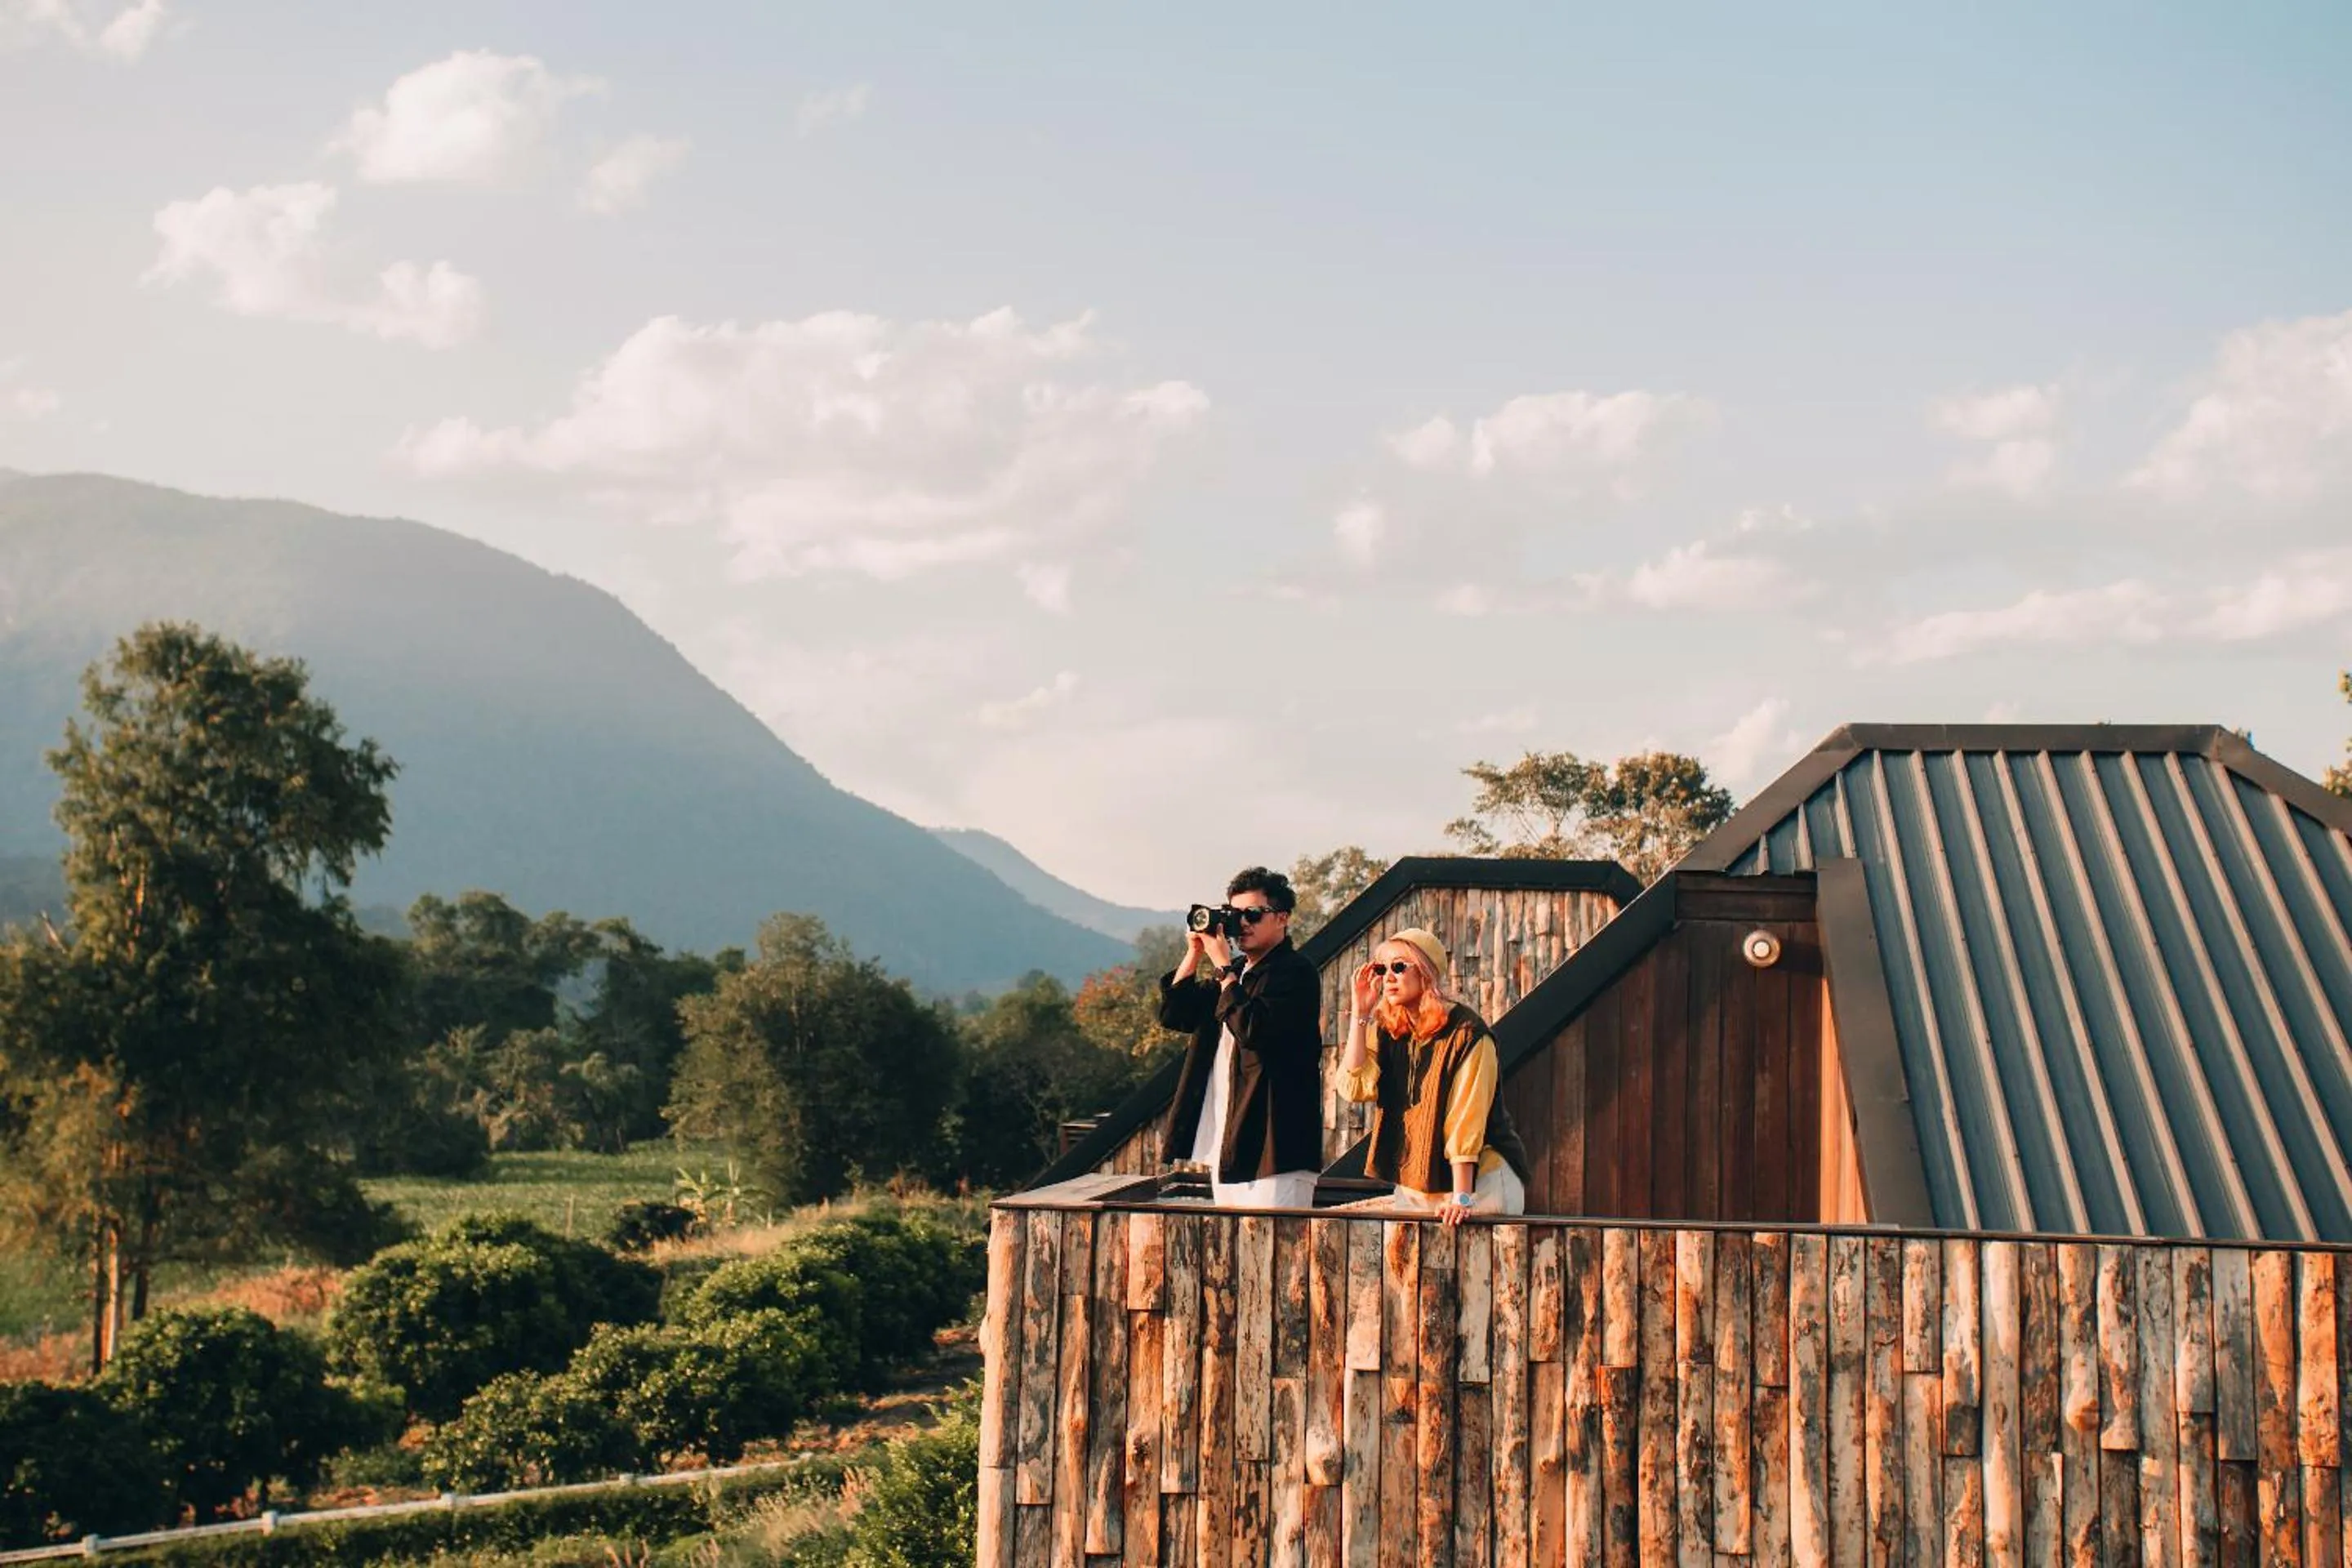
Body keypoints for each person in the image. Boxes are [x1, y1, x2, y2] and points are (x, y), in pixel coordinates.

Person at [1337, 926, 1530, 1223]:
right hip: (1415, 1183)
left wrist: (1462, 1197)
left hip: (1480, 1184)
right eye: (1381, 968)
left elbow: (1466, 1119)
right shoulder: (1387, 1030)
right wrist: (1360, 1014)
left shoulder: (1467, 1034)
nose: (1388, 977)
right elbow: (1354, 1087)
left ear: (1426, 971)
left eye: (1399, 967)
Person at [1159, 866, 1324, 1208]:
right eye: (1234, 914)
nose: (1242, 923)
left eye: (1253, 914)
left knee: (1280, 1243)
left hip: (1276, 1147)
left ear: (1282, 918)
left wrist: (1223, 970)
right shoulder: (1235, 975)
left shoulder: (1296, 972)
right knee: (1236, 1244)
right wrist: (1195, 952)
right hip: (1229, 1142)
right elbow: (1176, 1014)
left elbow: (1253, 1030)